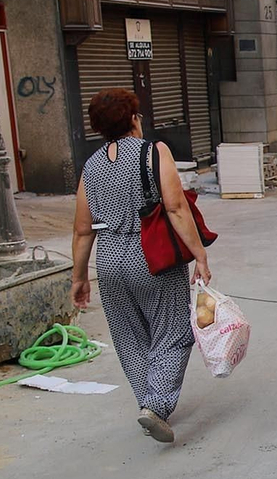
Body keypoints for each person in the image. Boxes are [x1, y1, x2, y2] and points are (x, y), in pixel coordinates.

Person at [70, 89, 210, 444]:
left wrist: (79, 278)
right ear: (133, 118)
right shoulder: (154, 152)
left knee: (129, 336)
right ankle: (155, 405)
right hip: (151, 255)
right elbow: (176, 208)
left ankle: (148, 401)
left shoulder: (92, 165)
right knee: (174, 330)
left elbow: (82, 229)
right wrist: (200, 254)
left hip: (110, 259)